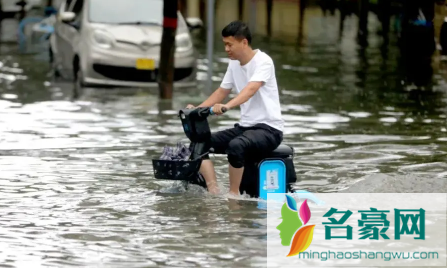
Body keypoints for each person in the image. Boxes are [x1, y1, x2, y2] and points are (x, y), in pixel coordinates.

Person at [186, 21, 284, 196]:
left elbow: (251, 89)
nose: (226, 49)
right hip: (245, 128)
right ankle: (213, 190)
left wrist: (227, 106)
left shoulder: (263, 61)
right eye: (225, 44)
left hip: (269, 130)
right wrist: (196, 110)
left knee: (236, 146)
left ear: (244, 42)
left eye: (229, 44)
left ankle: (233, 195)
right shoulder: (234, 63)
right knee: (199, 143)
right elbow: (222, 91)